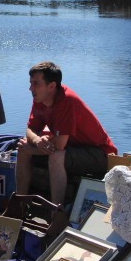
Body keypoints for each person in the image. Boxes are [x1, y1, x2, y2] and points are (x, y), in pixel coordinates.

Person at [16, 61, 118, 206]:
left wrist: (33, 148)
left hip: (100, 155)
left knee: (56, 156)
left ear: (51, 86)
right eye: (31, 83)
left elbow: (58, 146)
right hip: (73, 148)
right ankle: (19, 204)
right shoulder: (40, 98)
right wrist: (38, 140)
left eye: (36, 83)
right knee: (22, 148)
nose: (30, 88)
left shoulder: (66, 100)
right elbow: (30, 130)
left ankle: (56, 212)